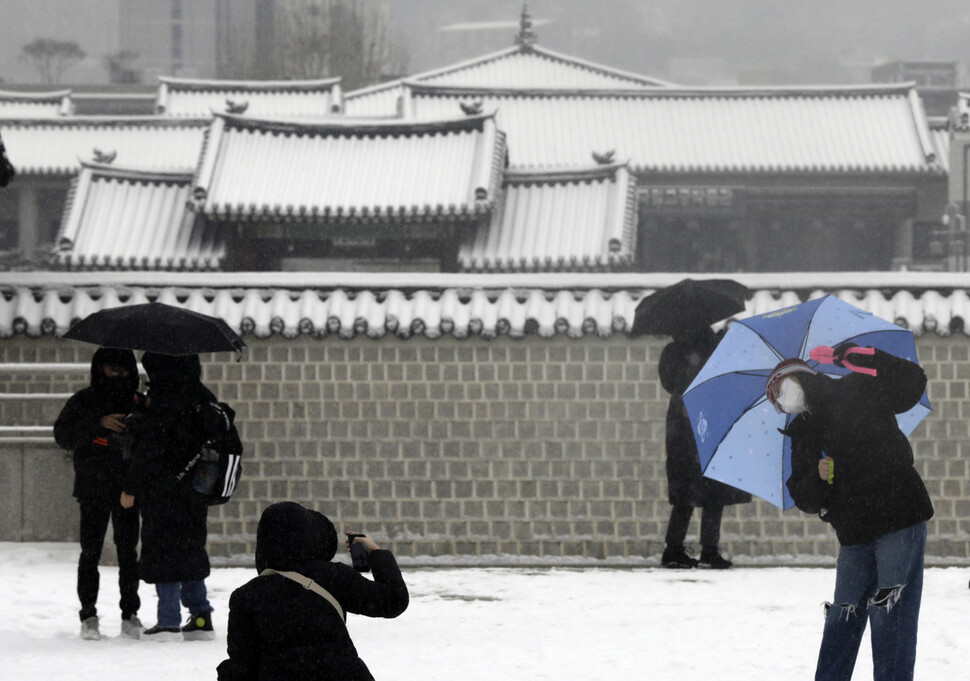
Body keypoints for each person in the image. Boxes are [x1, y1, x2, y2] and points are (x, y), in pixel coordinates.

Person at [777, 346, 934, 681]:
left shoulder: (858, 386)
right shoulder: (802, 431)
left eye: (781, 386)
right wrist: (818, 479)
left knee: (890, 616)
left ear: (803, 377)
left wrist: (866, 357)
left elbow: (912, 382)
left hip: (899, 515)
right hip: (853, 534)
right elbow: (802, 495)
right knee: (842, 618)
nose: (780, 399)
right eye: (774, 397)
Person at [217, 501, 409, 681]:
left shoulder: (246, 597)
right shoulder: (333, 576)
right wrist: (375, 552)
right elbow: (394, 599)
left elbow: (241, 667)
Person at [121, 352, 229, 641]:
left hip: (162, 489)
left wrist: (130, 487)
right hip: (196, 488)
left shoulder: (163, 399)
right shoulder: (202, 396)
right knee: (192, 548)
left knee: (162, 550)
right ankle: (201, 616)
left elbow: (150, 449)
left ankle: (168, 620)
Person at [53, 347, 144, 640]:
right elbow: (63, 436)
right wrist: (98, 425)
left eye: (122, 369)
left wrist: (134, 430)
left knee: (128, 552)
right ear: (99, 368)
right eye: (110, 369)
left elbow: (153, 441)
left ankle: (130, 613)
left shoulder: (139, 403)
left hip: (127, 487)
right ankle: (88, 615)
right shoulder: (84, 401)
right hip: (93, 486)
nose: (117, 375)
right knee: (90, 552)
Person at [658, 328, 751, 569]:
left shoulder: (673, 351)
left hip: (683, 421)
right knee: (712, 492)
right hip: (705, 418)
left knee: (686, 493)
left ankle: (675, 548)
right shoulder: (710, 346)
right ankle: (707, 549)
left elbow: (669, 382)